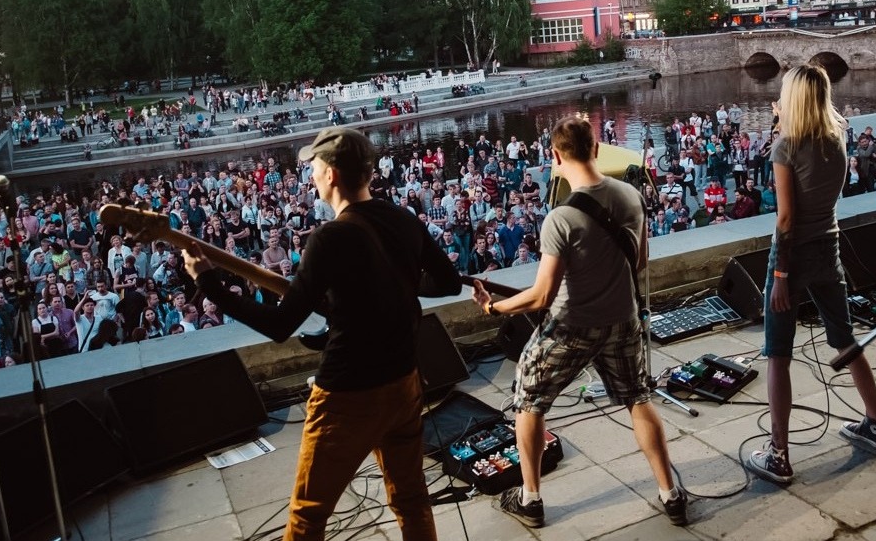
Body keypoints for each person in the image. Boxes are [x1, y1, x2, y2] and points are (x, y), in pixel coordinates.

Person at [181, 127, 461, 541]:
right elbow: (449, 282)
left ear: (330, 174)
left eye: (313, 166)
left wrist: (209, 283)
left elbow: (279, 326)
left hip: (348, 395)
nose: (309, 174)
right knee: (412, 501)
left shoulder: (330, 236)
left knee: (308, 516)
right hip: (403, 383)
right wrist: (396, 279)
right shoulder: (402, 218)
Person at [469, 117, 686, 528]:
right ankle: (670, 494)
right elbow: (638, 262)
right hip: (623, 321)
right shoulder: (630, 196)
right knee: (638, 399)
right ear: (597, 149)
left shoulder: (560, 218)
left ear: (554, 156)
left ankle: (530, 500)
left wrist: (492, 308)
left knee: (528, 401)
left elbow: (541, 296)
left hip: (571, 326)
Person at [745, 65, 876, 485]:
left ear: (793, 99)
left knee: (778, 354)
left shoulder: (786, 148)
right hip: (830, 247)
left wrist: (781, 273)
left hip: (792, 256)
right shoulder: (836, 139)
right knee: (846, 341)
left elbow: (787, 218)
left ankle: (779, 454)